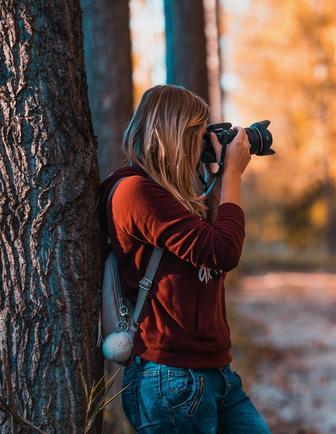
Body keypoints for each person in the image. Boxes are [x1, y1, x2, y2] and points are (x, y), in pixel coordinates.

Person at [98, 84, 271, 433]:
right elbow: (222, 252)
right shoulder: (136, 192)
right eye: (198, 131)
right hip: (171, 378)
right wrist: (233, 175)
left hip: (213, 373)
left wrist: (215, 178)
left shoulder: (169, 196)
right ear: (177, 134)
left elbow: (205, 253)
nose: (202, 141)